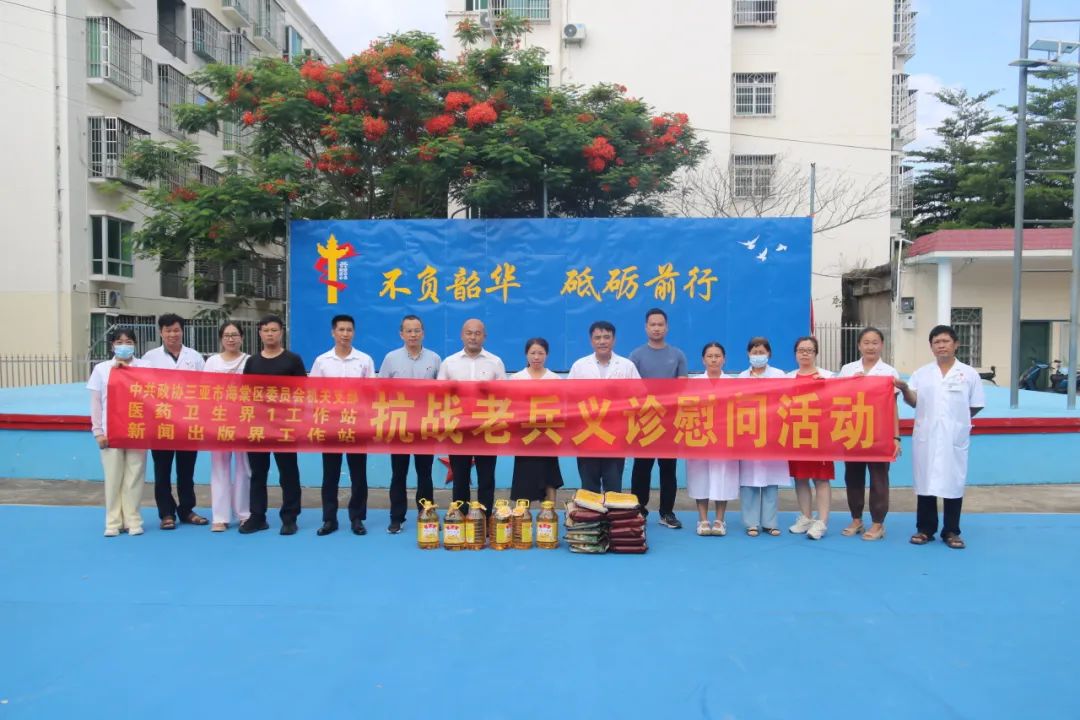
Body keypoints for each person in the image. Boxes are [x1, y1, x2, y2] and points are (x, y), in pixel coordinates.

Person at [896, 325, 985, 550]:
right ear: (931, 347)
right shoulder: (922, 373)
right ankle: (925, 529)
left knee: (953, 482)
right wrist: (905, 389)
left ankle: (952, 531)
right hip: (927, 435)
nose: (941, 346)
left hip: (954, 437)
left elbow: (975, 405)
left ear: (956, 344)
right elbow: (914, 401)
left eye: (946, 341)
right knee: (925, 481)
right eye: (937, 342)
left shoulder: (968, 374)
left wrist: (956, 422)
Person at [239, 315, 307, 536]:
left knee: (288, 472)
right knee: (258, 473)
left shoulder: (293, 360)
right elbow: (246, 393)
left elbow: (302, 392)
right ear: (260, 333)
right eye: (266, 330)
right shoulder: (252, 362)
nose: (270, 334)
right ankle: (257, 516)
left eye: (274, 330)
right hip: (257, 425)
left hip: (284, 425)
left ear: (281, 332)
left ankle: (290, 517)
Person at [309, 314, 375, 537]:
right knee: (330, 474)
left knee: (359, 474)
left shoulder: (364, 360)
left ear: (354, 333)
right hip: (330, 425)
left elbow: (371, 394)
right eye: (341, 330)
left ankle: (357, 518)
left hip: (357, 425)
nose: (345, 334)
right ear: (333, 332)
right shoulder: (322, 361)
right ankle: (329, 519)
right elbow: (313, 394)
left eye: (349, 330)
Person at [141, 313, 207, 530]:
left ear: (182, 331)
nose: (172, 334)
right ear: (161, 333)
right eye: (168, 330)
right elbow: (142, 388)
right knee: (162, 471)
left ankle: (187, 510)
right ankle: (166, 513)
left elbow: (205, 388)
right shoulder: (149, 358)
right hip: (161, 422)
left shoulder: (194, 357)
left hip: (188, 422)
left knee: (186, 470)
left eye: (176, 330)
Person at [836, 327, 902, 541]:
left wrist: (896, 437)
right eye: (866, 342)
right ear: (859, 345)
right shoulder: (848, 369)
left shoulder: (889, 372)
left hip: (880, 434)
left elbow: (893, 407)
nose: (870, 347)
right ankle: (856, 519)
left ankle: (877, 523)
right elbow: (837, 400)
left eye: (875, 342)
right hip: (853, 431)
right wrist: (851, 385)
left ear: (881, 345)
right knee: (853, 477)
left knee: (879, 478)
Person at [437, 318, 507, 516]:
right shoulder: (449, 363)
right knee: (460, 478)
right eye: (469, 333)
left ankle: (484, 519)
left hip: (487, 431)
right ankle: (460, 518)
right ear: (462, 335)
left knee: (486, 479)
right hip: (458, 430)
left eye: (477, 333)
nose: (473, 337)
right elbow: (439, 396)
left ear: (484, 336)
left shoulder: (495, 362)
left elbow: (504, 396)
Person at [379, 314, 441, 534]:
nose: (413, 334)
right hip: (399, 425)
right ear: (401, 334)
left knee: (425, 474)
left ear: (423, 333)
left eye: (417, 330)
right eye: (409, 331)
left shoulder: (434, 358)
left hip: (425, 426)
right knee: (399, 473)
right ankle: (397, 517)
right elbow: (380, 391)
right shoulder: (391, 358)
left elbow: (441, 393)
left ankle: (426, 513)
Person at [629, 308, 688, 529]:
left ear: (667, 327)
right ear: (646, 327)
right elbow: (631, 389)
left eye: (660, 324)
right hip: (644, 421)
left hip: (669, 421)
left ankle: (667, 512)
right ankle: (639, 510)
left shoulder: (678, 355)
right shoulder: (636, 356)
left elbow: (682, 386)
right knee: (641, 468)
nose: (656, 328)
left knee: (668, 469)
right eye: (652, 324)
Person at [567, 320, 641, 493]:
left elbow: (639, 395)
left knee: (613, 484)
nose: (602, 341)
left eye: (606, 337)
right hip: (587, 432)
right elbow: (569, 396)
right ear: (591, 341)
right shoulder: (579, 366)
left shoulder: (626, 366)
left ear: (613, 340)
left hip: (615, 433)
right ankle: (590, 511)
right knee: (589, 485)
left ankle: (612, 511)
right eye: (598, 337)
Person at [87, 327, 147, 537]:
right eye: (119, 342)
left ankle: (133, 519)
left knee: (135, 477)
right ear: (112, 345)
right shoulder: (102, 369)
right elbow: (96, 403)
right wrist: (98, 431)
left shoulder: (145, 367)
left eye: (129, 342)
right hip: (110, 432)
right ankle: (113, 521)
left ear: (135, 344)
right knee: (113, 478)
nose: (124, 346)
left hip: (137, 430)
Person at [737, 337, 790, 536]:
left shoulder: (779, 375)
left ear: (769, 354)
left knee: (770, 480)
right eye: (754, 352)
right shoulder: (741, 377)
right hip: (749, 433)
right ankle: (751, 522)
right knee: (749, 479)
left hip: (772, 433)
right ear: (748, 354)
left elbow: (787, 400)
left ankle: (770, 523)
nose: (758, 356)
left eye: (762, 352)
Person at [686, 342, 740, 537]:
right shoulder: (693, 383)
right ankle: (703, 519)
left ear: (724, 359)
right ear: (703, 360)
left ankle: (719, 520)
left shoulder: (733, 383)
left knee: (722, 477)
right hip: (700, 437)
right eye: (710, 356)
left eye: (717, 356)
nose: (714, 359)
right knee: (699, 477)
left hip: (724, 438)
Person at [785, 336, 835, 540]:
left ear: (816, 353)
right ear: (795, 354)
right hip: (796, 434)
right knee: (800, 477)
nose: (805, 353)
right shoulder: (788, 378)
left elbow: (839, 401)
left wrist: (825, 388)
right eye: (801, 350)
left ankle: (822, 522)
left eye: (809, 350)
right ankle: (806, 517)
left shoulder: (828, 376)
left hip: (820, 435)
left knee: (821, 478)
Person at [203, 322, 250, 532]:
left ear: (242, 337)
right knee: (219, 467)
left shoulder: (249, 361)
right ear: (221, 339)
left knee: (244, 468)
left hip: (244, 420)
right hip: (219, 419)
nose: (231, 339)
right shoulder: (212, 362)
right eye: (227, 335)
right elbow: (204, 391)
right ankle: (220, 517)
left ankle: (244, 513)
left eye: (235, 335)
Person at [509, 337, 564, 505]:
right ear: (526, 354)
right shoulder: (516, 378)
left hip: (548, 435)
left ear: (547, 355)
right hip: (525, 437)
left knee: (549, 476)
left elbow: (562, 407)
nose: (536, 357)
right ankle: (522, 516)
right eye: (533, 353)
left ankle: (549, 515)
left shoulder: (555, 379)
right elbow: (511, 407)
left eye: (541, 353)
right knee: (524, 478)